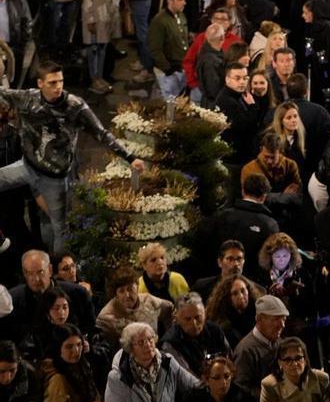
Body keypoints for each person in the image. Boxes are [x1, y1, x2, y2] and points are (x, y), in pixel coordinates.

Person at [0, 61, 146, 250]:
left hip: (54, 178)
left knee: (59, 229)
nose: (58, 87)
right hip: (27, 166)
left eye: (60, 81)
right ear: (40, 83)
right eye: (52, 82)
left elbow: (101, 133)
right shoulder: (27, 98)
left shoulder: (75, 106)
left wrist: (131, 158)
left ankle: (61, 270)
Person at [103, 321, 201, 402]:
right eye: (141, 343)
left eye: (150, 339)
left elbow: (194, 385)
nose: (148, 345)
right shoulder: (118, 377)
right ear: (130, 349)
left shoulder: (168, 362)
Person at [95, 266, 174, 345]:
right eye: (121, 291)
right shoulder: (106, 319)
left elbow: (171, 310)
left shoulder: (149, 301)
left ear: (137, 287)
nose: (127, 295)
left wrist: (166, 342)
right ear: (115, 294)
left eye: (130, 289)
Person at [161, 292, 231, 379]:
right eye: (187, 319)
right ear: (177, 319)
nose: (194, 324)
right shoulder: (170, 344)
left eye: (197, 317)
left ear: (205, 313)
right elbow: (187, 379)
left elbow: (229, 361)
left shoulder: (215, 330)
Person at [232, 294, 287, 397]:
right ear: (259, 319)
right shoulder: (245, 351)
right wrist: (271, 394)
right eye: (276, 319)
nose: (282, 325)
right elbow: (241, 389)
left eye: (284, 319)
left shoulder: (280, 342)